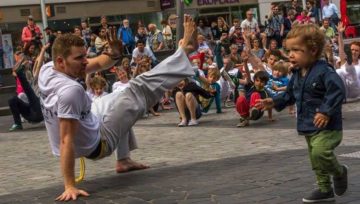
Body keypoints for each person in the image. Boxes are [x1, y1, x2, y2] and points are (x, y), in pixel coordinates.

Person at [38, 15, 197, 201]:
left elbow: (97, 63)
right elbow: (66, 140)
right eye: (79, 58)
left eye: (85, 55)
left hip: (90, 120)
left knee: (121, 97)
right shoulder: (70, 91)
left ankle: (123, 160)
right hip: (98, 143)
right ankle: (184, 50)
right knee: (137, 89)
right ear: (60, 61)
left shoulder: (47, 69)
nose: (85, 61)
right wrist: (70, 186)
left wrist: (112, 54)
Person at [256, 24, 348, 203]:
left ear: (313, 50)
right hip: (307, 124)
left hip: (327, 126)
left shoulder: (324, 71)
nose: (290, 54)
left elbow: (337, 90)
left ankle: (339, 172)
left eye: (297, 50)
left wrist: (325, 111)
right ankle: (324, 189)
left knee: (320, 153)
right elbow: (290, 95)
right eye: (289, 50)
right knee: (315, 159)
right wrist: (273, 101)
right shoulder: (297, 74)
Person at [336, 22, 360, 100]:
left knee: (354, 72)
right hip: (345, 90)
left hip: (357, 89)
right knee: (339, 71)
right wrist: (340, 33)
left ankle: (350, 65)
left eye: (356, 50)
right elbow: (341, 48)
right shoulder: (343, 60)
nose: (354, 52)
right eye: (352, 50)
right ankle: (343, 97)